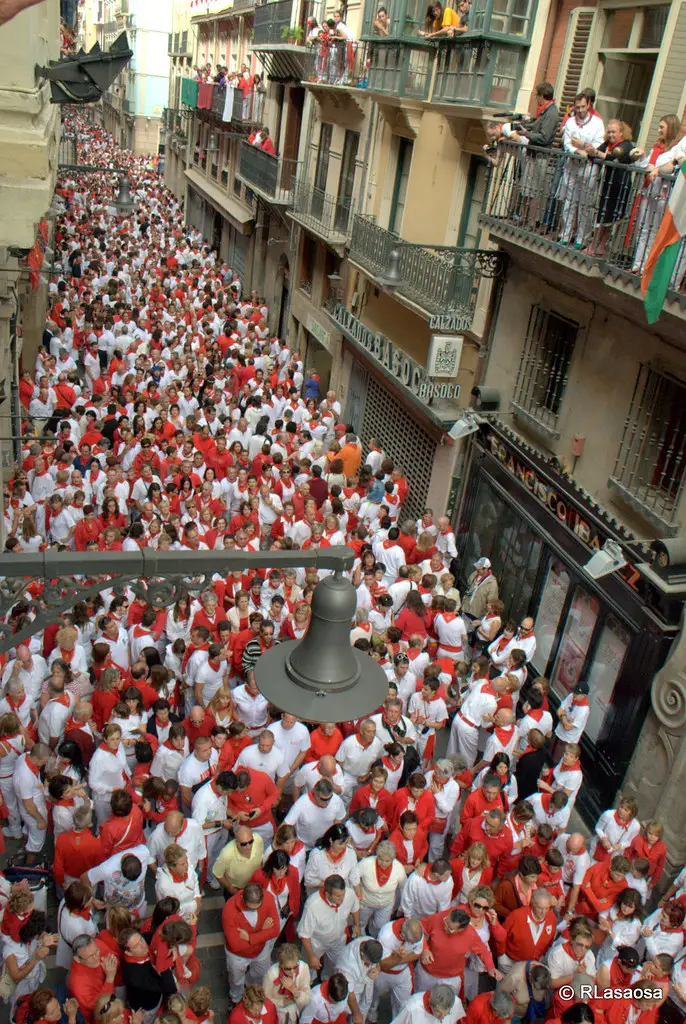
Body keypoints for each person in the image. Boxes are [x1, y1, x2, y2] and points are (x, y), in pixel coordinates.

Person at [222, 882, 281, 1003]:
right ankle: (236, 998)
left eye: (258, 907)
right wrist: (263, 933)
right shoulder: (229, 909)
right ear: (243, 898)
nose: (254, 910)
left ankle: (249, 986)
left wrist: (250, 937)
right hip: (237, 956)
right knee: (236, 980)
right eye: (250, 908)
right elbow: (236, 945)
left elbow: (275, 930)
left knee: (261, 974)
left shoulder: (268, 898)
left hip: (261, 951)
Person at [298, 873, 361, 977]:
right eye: (338, 896)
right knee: (309, 969)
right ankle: (310, 983)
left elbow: (355, 907)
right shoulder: (313, 905)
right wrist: (311, 955)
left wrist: (357, 924)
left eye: (343, 894)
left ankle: (327, 981)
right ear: (327, 894)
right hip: (316, 943)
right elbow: (304, 935)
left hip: (338, 940)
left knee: (335, 966)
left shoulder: (349, 894)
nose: (342, 899)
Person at [263, 943, 311, 1024]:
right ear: (280, 965)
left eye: (295, 967)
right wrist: (284, 1002)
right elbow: (266, 999)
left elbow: (306, 999)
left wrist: (294, 990)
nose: (292, 972)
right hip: (278, 1009)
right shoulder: (271, 974)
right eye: (288, 969)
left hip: (296, 1009)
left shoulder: (304, 968)